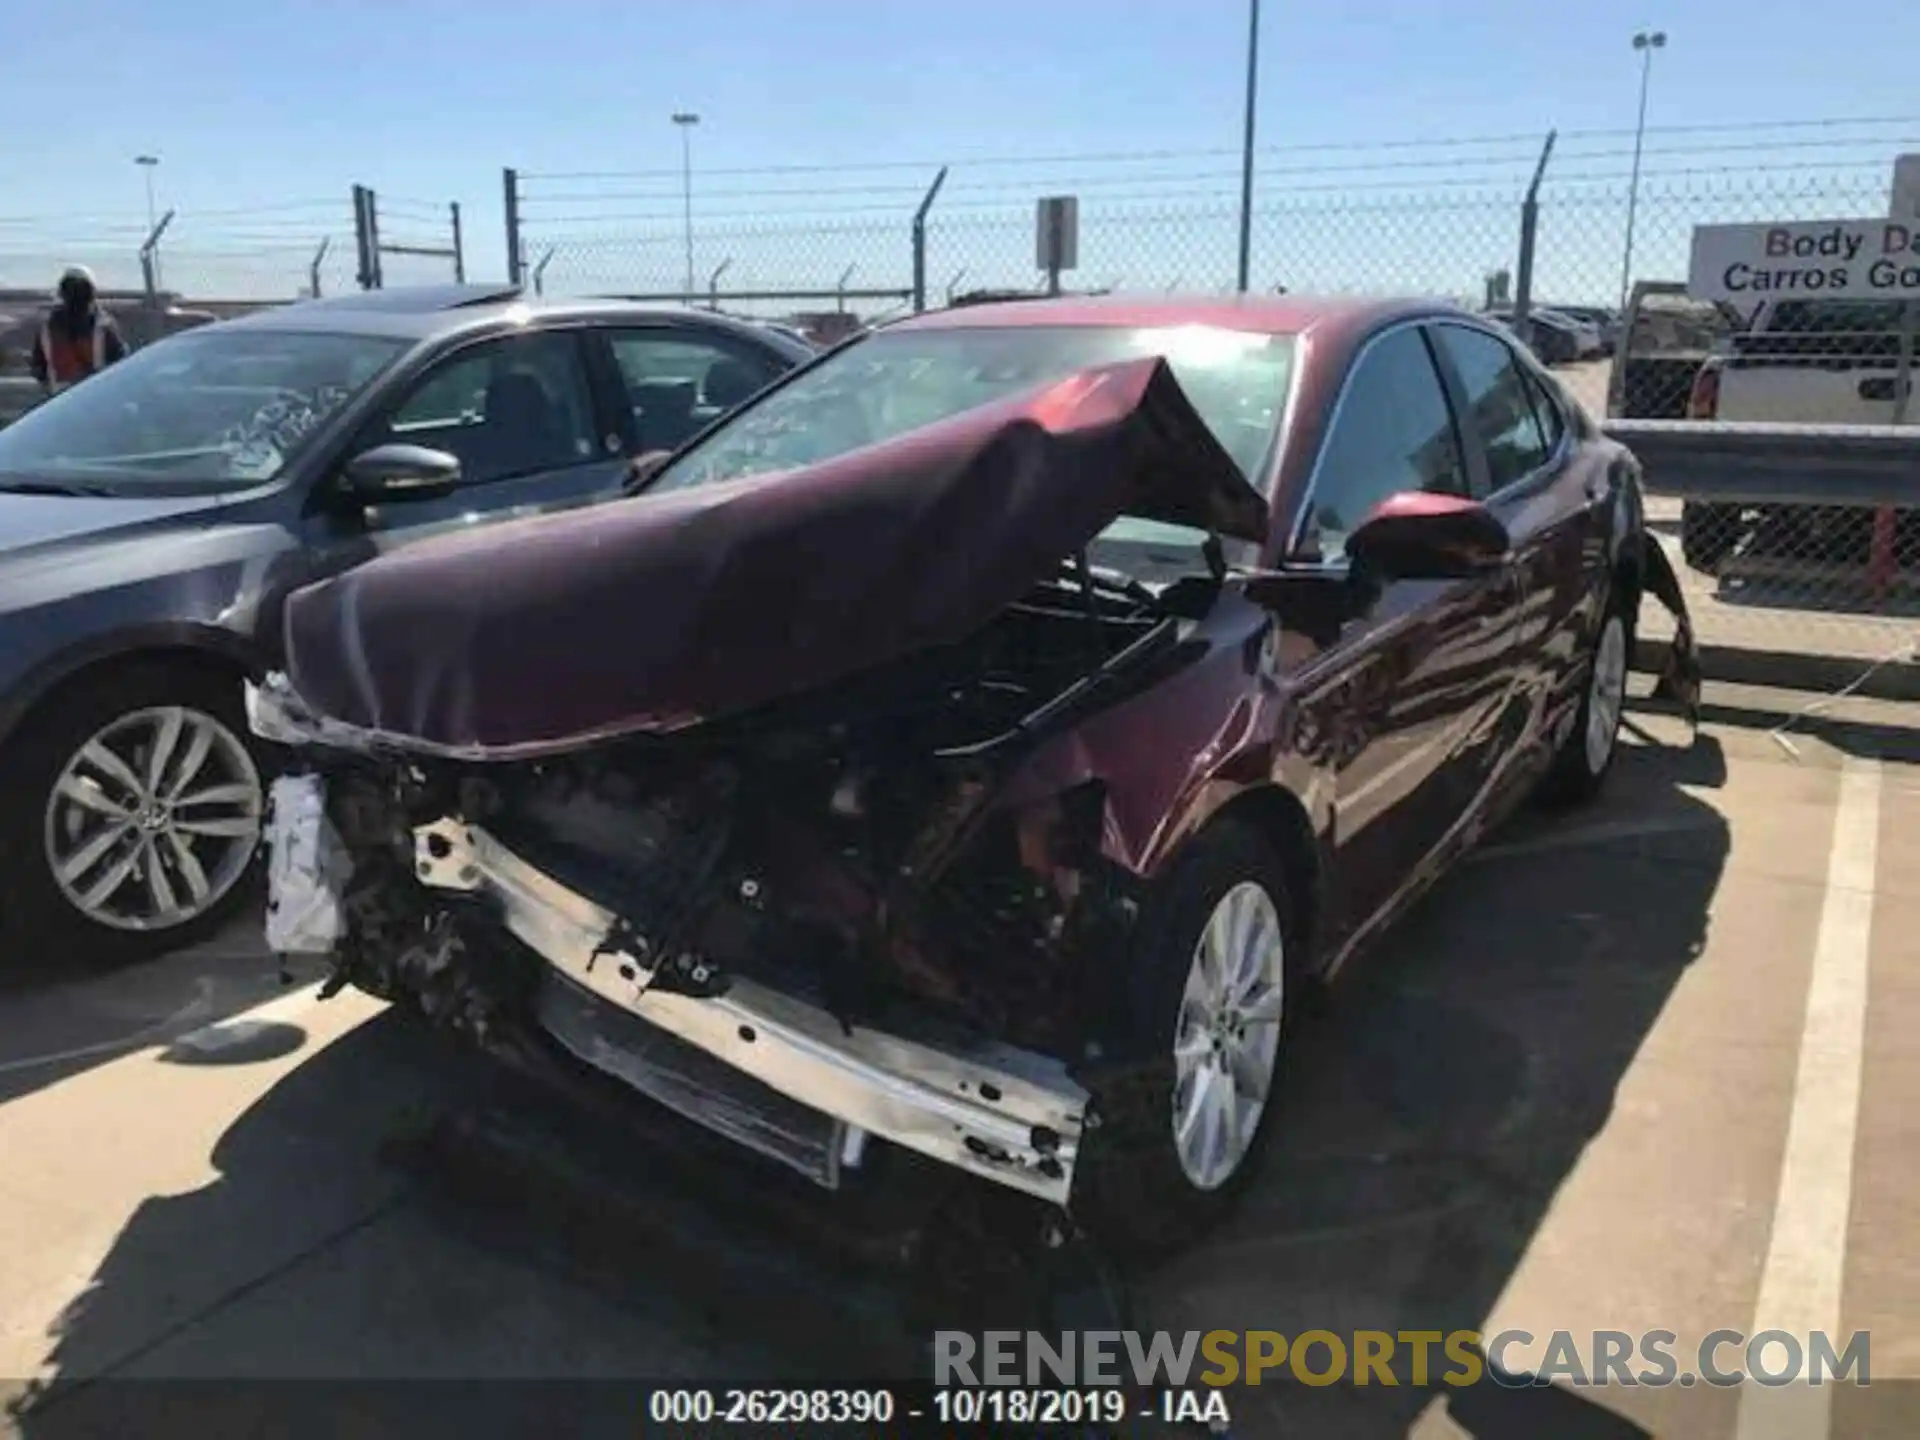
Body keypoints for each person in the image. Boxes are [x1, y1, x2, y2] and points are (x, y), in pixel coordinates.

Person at [29, 266, 128, 396]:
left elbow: (38, 369)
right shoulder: (104, 327)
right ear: (92, 294)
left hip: (60, 401)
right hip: (95, 399)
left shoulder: (47, 329)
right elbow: (122, 365)